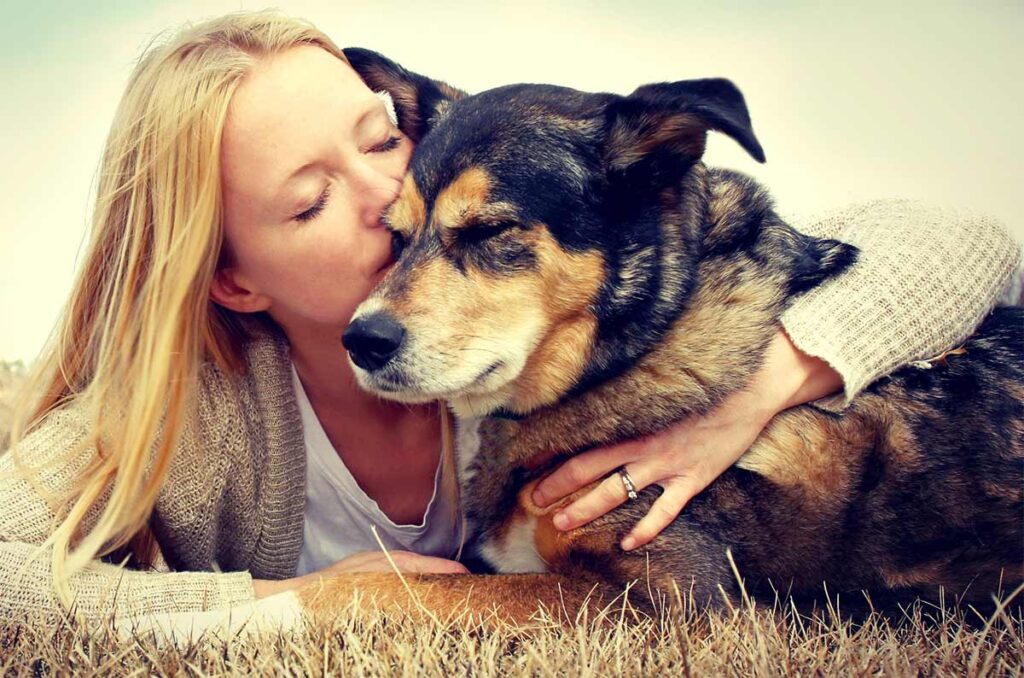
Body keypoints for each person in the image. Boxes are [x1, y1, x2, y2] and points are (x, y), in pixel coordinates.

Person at [0, 10, 1018, 627]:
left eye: (379, 136)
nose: (386, 198)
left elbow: (960, 243)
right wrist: (288, 607)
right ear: (234, 280)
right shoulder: (186, 418)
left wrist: (769, 382)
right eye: (307, 202)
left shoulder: (549, 315)